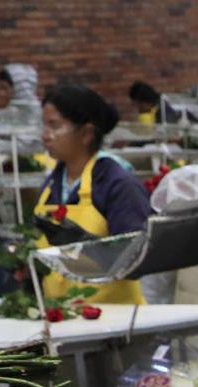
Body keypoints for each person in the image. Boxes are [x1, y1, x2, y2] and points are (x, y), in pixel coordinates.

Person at [34, 84, 152, 305]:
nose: (45, 136)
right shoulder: (52, 186)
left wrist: (82, 244)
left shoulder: (118, 184)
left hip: (115, 324)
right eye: (44, 125)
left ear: (86, 133)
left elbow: (137, 260)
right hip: (63, 318)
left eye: (54, 125)